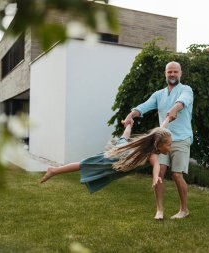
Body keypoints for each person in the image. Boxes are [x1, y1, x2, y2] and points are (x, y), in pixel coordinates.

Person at [123, 61, 194, 220]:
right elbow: (144, 106)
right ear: (165, 74)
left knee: (176, 174)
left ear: (180, 73)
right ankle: (160, 210)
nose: (172, 75)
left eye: (175, 72)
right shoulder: (158, 94)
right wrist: (130, 115)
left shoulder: (186, 90)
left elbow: (183, 101)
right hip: (162, 141)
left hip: (181, 139)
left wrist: (175, 109)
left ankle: (184, 209)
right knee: (159, 173)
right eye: (169, 72)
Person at [40, 121, 172, 195]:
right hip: (113, 159)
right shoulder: (153, 154)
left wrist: (168, 120)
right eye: (169, 145)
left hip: (123, 149)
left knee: (124, 138)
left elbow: (160, 130)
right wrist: (155, 177)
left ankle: (129, 124)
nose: (170, 148)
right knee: (84, 164)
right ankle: (54, 170)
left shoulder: (154, 141)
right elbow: (156, 165)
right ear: (158, 144)